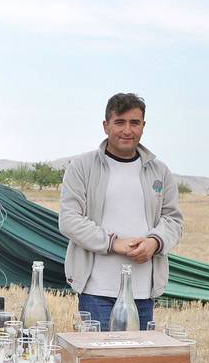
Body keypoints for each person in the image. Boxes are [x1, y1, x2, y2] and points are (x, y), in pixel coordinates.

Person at [58, 93, 184, 330]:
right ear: (106, 126)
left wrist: (154, 242)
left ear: (143, 126)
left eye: (134, 123)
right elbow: (69, 220)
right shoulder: (81, 167)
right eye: (119, 122)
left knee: (137, 354)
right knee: (102, 353)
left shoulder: (159, 171)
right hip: (96, 289)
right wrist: (113, 243)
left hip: (143, 290)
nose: (127, 130)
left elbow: (173, 220)